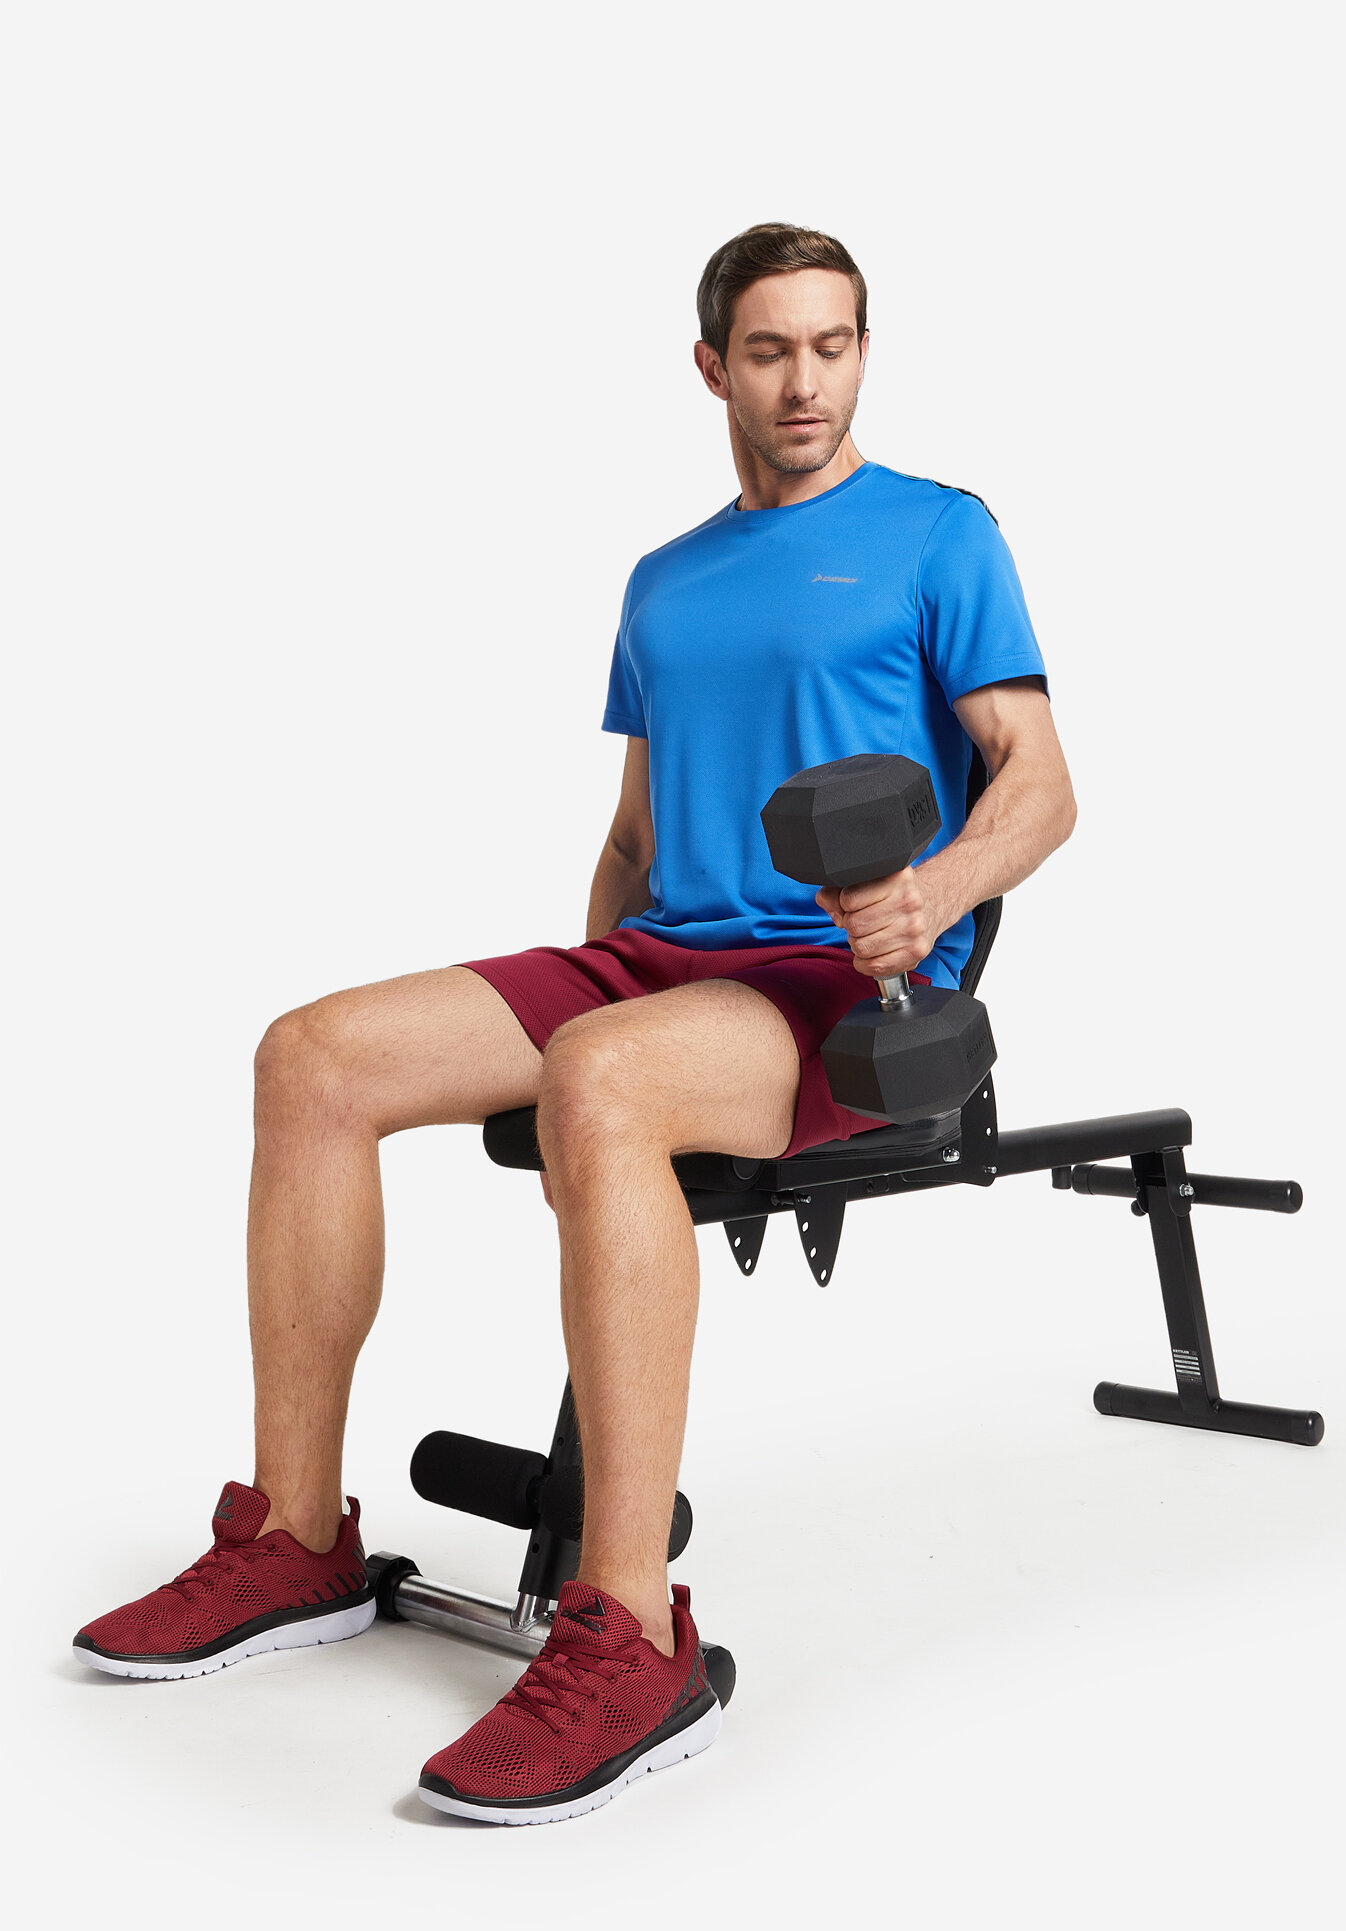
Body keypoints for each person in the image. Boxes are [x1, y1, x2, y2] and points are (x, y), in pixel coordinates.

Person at [74, 222, 1077, 1824]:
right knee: (311, 1057)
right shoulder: (664, 582)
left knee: (603, 1080)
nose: (804, 381)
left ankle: (631, 1638)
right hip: (663, 957)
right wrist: (599, 989)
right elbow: (632, 834)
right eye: (770, 350)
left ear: (863, 354)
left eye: (833, 346)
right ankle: (295, 1539)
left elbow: (1042, 784)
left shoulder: (940, 536)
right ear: (712, 366)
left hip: (839, 984)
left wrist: (934, 893)